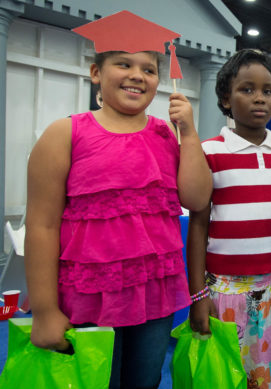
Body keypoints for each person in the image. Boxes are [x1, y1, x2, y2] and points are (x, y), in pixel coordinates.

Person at [24, 11, 212, 389]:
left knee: (144, 381)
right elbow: (42, 225)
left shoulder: (165, 134)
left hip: (153, 296)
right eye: (123, 64)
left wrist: (189, 133)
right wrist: (44, 309)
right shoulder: (66, 133)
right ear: (96, 72)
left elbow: (196, 198)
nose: (137, 76)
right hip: (88, 297)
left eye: (148, 69)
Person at [187, 49, 271, 389]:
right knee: (225, 378)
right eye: (247, 89)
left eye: (268, 91)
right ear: (226, 98)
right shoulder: (210, 151)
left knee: (270, 377)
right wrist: (198, 296)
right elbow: (198, 225)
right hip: (224, 291)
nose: (259, 99)